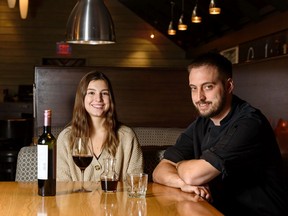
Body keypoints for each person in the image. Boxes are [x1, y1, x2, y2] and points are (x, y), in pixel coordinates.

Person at [152, 52, 288, 216]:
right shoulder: (202, 123)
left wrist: (179, 165)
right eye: (194, 88)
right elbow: (159, 171)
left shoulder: (249, 123)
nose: (199, 97)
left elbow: (192, 175)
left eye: (208, 86)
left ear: (229, 86)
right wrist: (182, 184)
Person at [57, 71, 143, 182]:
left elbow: (135, 182)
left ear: (110, 99)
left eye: (104, 93)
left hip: (116, 200)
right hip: (76, 200)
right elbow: (63, 186)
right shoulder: (66, 138)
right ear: (82, 98)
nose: (98, 99)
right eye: (91, 93)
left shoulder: (127, 136)